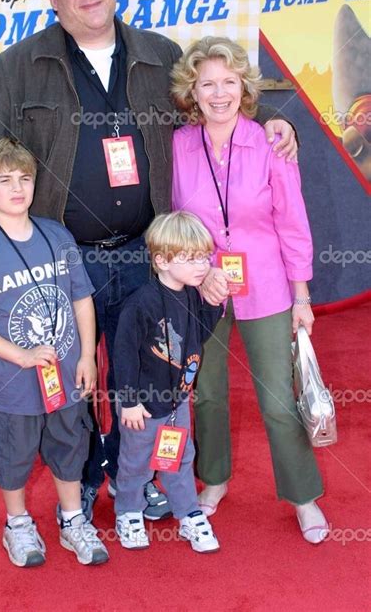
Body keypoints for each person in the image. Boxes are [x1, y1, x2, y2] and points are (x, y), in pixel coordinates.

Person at [0, 0, 298, 522]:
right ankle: (86, 476)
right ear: (53, 0)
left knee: (155, 367)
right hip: (66, 258)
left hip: (149, 254)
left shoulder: (159, 53)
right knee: (77, 375)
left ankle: (148, 475)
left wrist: (269, 120)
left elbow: (214, 94)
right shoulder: (19, 65)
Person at [170, 36, 329, 545]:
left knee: (280, 400)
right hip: (202, 289)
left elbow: (294, 225)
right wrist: (196, 271)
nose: (219, 93)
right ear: (192, 91)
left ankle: (303, 496)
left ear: (245, 87)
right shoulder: (177, 145)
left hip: (267, 287)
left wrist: (302, 298)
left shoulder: (272, 142)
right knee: (207, 393)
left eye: (229, 82)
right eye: (207, 83)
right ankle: (213, 480)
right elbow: (174, 220)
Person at [0, 138, 109, 567]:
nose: (17, 188)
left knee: (71, 444)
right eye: (4, 180)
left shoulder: (57, 235)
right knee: (13, 454)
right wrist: (18, 356)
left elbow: (81, 298)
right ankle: (17, 523)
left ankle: (73, 519)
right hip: (14, 383)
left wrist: (88, 356)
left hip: (67, 375)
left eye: (24, 178)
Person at [114, 211, 223, 552]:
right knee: (135, 462)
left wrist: (215, 305)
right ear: (161, 260)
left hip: (177, 402)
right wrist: (129, 400)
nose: (201, 266)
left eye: (204, 257)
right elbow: (124, 355)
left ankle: (188, 513)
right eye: (190, 259)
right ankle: (128, 512)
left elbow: (198, 336)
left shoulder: (191, 294)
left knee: (180, 458)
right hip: (143, 405)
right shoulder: (141, 303)